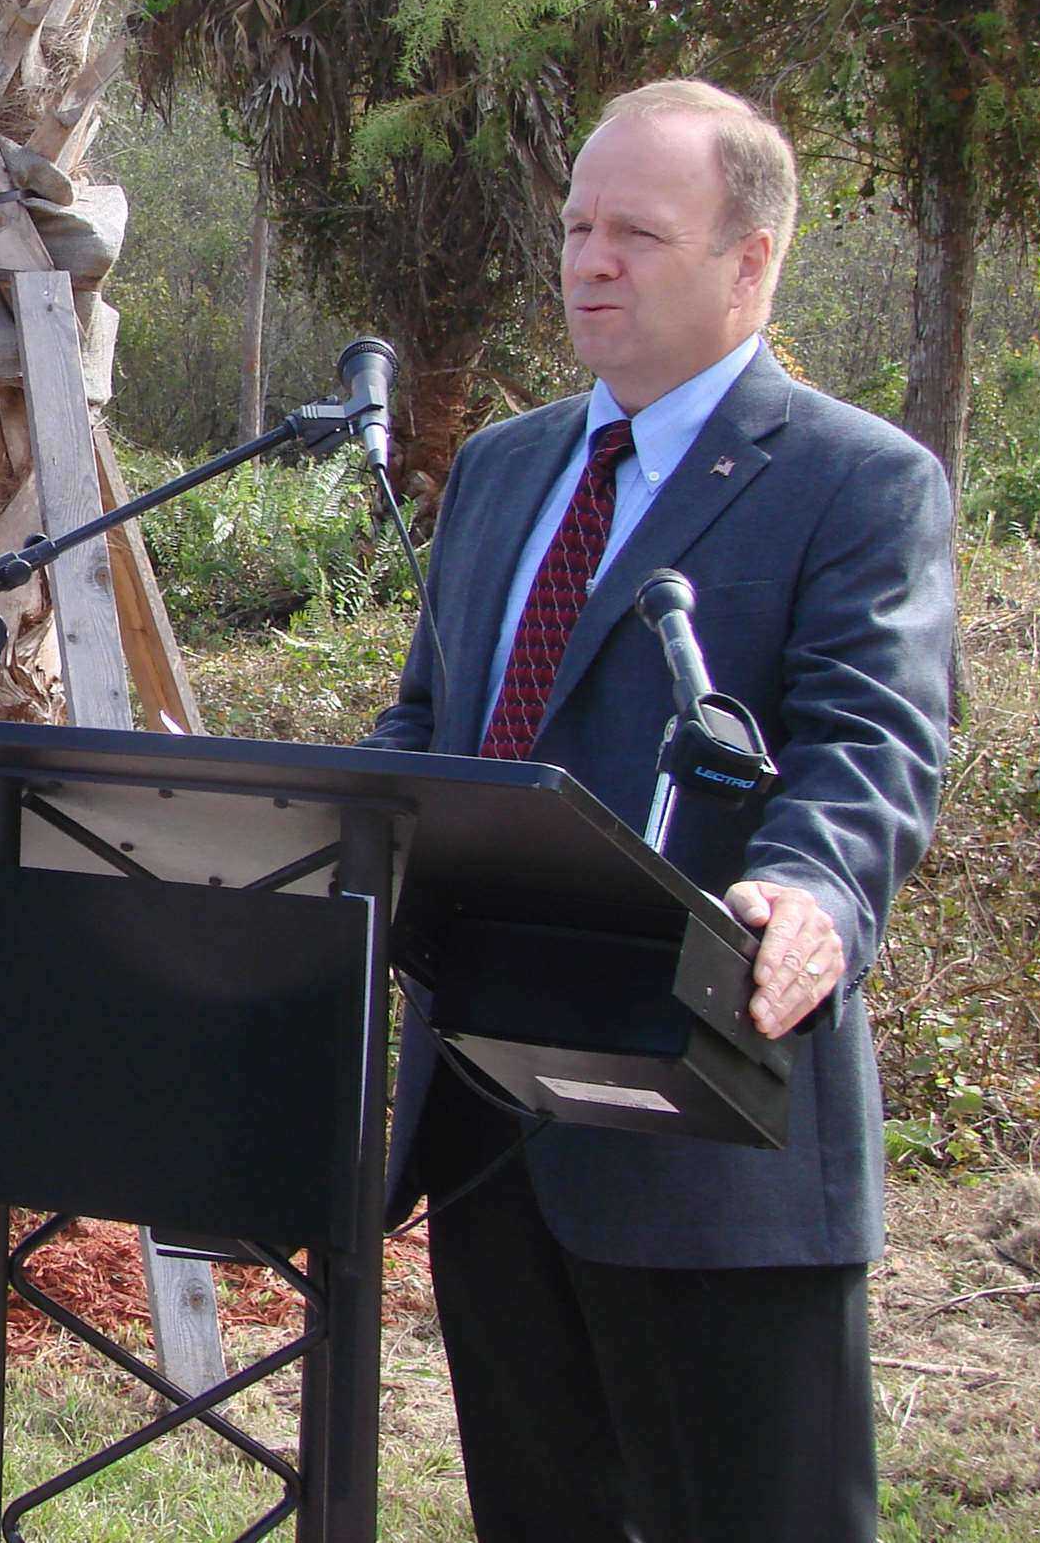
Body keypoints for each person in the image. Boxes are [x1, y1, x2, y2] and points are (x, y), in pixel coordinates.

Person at [366, 78, 956, 1541]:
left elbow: (870, 741)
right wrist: (314, 826)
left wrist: (814, 892)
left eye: (637, 230)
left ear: (751, 259)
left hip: (714, 1131)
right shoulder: (504, 470)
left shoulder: (855, 482)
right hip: (492, 1125)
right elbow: (431, 724)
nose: (590, 261)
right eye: (577, 225)